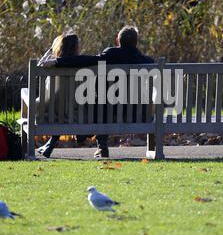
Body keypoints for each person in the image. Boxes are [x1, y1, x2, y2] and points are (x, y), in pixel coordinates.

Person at [43, 26, 154, 158]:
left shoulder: (111, 54)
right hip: (137, 113)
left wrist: (57, 61)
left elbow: (87, 60)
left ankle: (102, 147)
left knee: (100, 101)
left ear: (117, 40)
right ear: (136, 43)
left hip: (107, 112)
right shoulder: (147, 62)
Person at [35, 33, 90, 157]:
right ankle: (52, 142)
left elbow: (39, 65)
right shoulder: (83, 65)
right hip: (77, 116)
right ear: (76, 48)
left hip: (48, 115)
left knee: (59, 106)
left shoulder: (51, 65)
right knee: (69, 107)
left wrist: (51, 49)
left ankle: (51, 143)